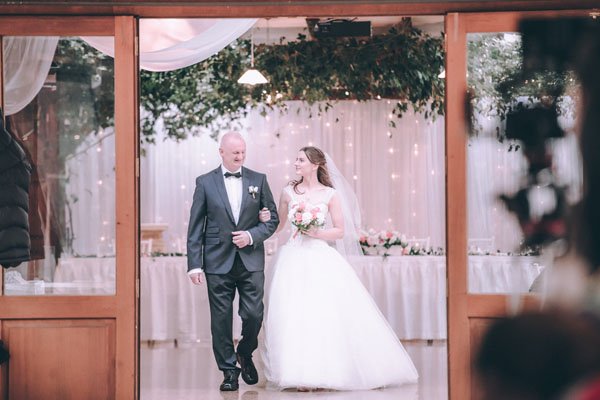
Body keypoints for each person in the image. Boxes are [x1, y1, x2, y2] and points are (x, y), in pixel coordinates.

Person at [259, 146, 418, 390]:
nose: (296, 163)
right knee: (292, 313)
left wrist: (317, 232)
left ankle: (324, 371)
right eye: (296, 159)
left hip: (319, 256)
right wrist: (265, 220)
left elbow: (340, 231)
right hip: (292, 257)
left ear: (315, 164)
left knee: (321, 313)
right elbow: (279, 226)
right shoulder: (288, 191)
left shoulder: (330, 194)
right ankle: (296, 372)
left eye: (301, 160)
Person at [187, 131, 279, 391]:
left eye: (243, 152)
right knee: (221, 319)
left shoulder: (258, 180)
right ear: (222, 152)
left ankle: (245, 352)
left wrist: (251, 236)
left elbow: (272, 219)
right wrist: (194, 264)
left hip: (251, 260)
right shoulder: (205, 182)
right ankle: (228, 371)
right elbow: (195, 226)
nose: (240, 157)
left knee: (253, 314)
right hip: (217, 261)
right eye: (235, 152)